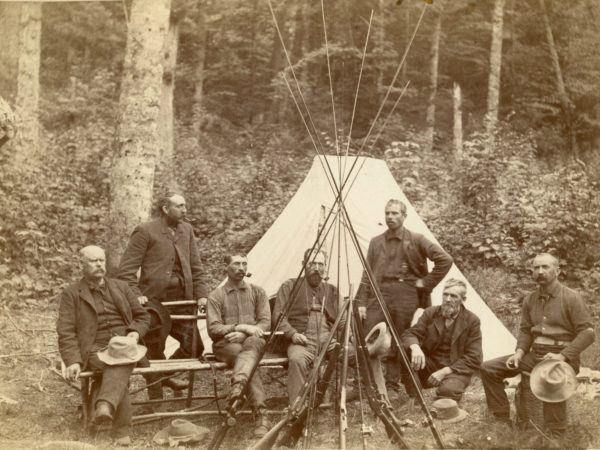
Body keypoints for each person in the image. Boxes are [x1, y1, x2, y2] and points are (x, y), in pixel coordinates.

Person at [480, 253, 595, 436]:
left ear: (557, 271)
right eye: (536, 267)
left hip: (562, 356)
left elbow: (588, 333)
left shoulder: (571, 297)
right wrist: (518, 353)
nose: (540, 271)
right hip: (535, 355)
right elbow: (526, 330)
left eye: (545, 267)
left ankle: (555, 432)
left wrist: (562, 356)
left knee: (550, 376)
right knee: (489, 368)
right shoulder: (530, 299)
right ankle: (502, 421)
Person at [356, 198, 452, 400]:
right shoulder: (376, 242)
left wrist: (425, 283)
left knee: (401, 340)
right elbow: (367, 274)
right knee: (367, 338)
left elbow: (445, 260)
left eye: (395, 213)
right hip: (379, 293)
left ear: (404, 216)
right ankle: (368, 385)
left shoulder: (417, 239)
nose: (390, 217)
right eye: (387, 213)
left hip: (406, 295)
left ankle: (394, 386)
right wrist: (362, 302)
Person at [57, 246, 150, 446]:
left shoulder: (121, 287)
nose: (99, 264)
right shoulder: (71, 293)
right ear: (81, 264)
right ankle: (118, 426)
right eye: (93, 261)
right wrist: (72, 361)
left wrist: (134, 333)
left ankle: (104, 407)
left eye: (102, 260)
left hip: (125, 345)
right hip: (94, 350)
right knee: (120, 365)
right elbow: (66, 331)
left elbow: (143, 316)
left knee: (121, 358)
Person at [117, 193, 208, 398]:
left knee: (194, 346)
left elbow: (196, 267)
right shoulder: (145, 231)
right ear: (166, 209)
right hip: (153, 303)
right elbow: (125, 271)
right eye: (180, 206)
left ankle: (163, 375)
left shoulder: (187, 230)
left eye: (185, 205)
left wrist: (202, 294)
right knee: (154, 350)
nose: (185, 210)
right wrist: (136, 294)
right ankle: (155, 401)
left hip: (182, 300)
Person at [206, 253, 271, 438]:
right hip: (226, 345)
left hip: (253, 341)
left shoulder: (258, 292)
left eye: (244, 264)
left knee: (248, 352)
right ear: (226, 267)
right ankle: (261, 415)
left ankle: (238, 389)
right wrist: (238, 327)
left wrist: (245, 332)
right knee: (247, 359)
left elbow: (265, 322)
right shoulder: (216, 296)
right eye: (236, 264)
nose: (241, 268)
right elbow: (213, 328)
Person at [273, 248, 346, 406]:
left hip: (329, 340)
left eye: (321, 264)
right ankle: (297, 407)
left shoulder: (332, 290)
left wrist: (346, 336)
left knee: (353, 354)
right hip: (302, 340)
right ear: (304, 264)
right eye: (313, 263)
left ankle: (352, 397)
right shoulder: (290, 285)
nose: (317, 268)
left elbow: (343, 320)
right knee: (297, 359)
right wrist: (292, 334)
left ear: (325, 267)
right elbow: (279, 316)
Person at [401, 278, 482, 402]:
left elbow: (474, 356)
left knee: (447, 393)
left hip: (455, 369)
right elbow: (410, 334)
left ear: (463, 300)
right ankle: (416, 398)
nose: (448, 299)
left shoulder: (472, 321)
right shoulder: (430, 313)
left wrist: (444, 372)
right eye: (445, 294)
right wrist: (415, 347)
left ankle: (446, 391)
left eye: (453, 296)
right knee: (406, 351)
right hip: (430, 365)